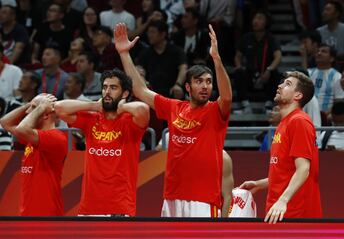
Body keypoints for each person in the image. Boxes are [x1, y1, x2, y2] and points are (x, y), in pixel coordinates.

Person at [115, 22, 232, 217]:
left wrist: (216, 59)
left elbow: (227, 97)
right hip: (172, 197)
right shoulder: (174, 107)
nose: (205, 86)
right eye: (199, 82)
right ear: (187, 87)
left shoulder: (215, 111)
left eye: (209, 82)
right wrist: (124, 54)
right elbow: (140, 91)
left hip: (202, 200)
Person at [55, 69, 150, 216]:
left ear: (125, 94)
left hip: (119, 207)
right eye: (105, 87)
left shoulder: (130, 121)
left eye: (113, 88)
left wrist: (122, 107)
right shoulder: (92, 118)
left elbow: (143, 109)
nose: (107, 92)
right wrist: (93, 106)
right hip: (89, 207)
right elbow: (59, 108)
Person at [240, 71, 322, 224]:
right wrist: (260, 184)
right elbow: (285, 171)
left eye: (288, 84)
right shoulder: (283, 124)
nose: (280, 86)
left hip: (295, 214)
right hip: (278, 211)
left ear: (298, 95)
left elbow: (303, 169)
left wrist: (283, 200)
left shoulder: (299, 121)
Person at [0, 94, 68, 216]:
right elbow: (5, 122)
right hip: (27, 211)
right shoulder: (31, 138)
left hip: (47, 214)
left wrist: (41, 107)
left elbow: (21, 129)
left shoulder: (56, 138)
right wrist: (31, 104)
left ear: (46, 115)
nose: (27, 112)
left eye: (33, 108)